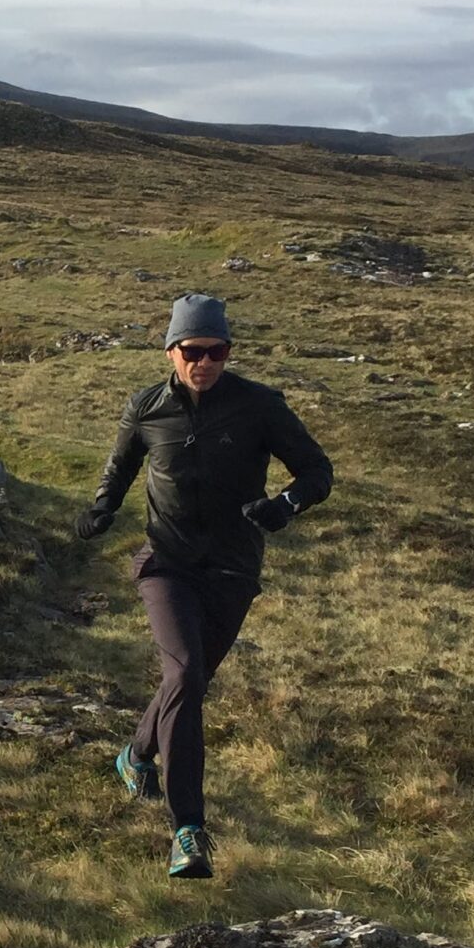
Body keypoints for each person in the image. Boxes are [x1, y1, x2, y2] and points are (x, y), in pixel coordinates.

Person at [75, 294, 332, 879]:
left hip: (233, 570)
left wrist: (285, 505)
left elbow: (318, 470)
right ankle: (188, 829)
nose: (206, 362)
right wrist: (101, 511)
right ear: (172, 351)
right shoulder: (146, 408)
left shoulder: (260, 406)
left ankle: (138, 753)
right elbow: (119, 468)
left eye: (217, 351)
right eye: (194, 351)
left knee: (187, 681)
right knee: (186, 673)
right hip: (167, 563)